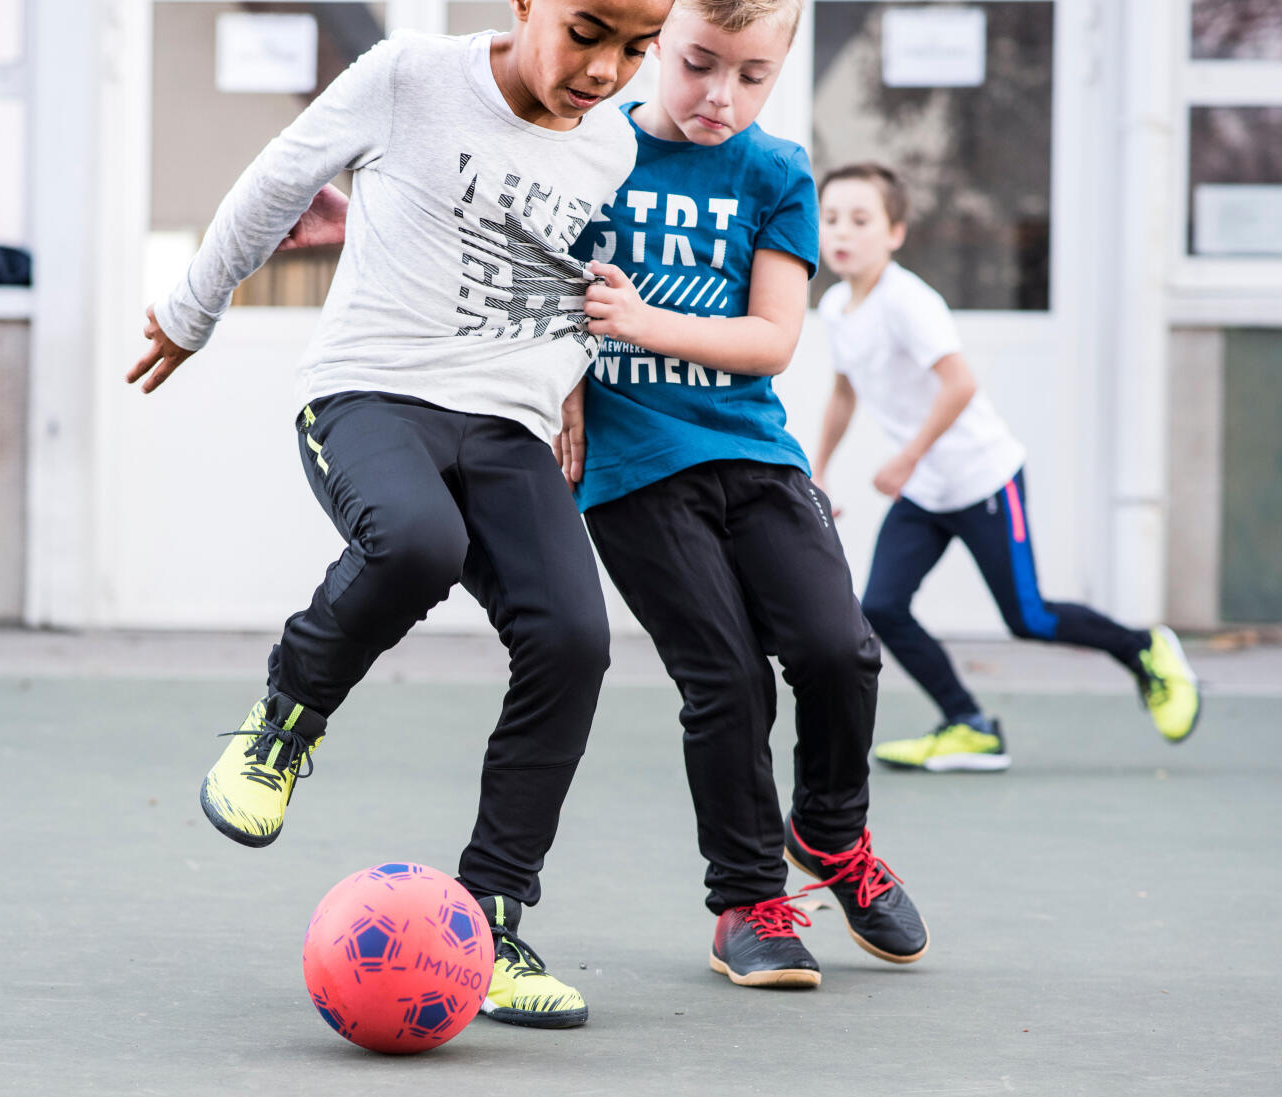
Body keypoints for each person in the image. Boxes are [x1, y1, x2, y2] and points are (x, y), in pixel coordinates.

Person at [126, 0, 672, 1029]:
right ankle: (282, 725)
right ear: (525, 5)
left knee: (573, 638)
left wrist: (567, 383)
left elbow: (556, 276)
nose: (607, 71)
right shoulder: (410, 75)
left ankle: (495, 918)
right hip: (373, 394)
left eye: (638, 49)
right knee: (420, 542)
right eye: (589, 33)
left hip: (506, 428)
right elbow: (277, 181)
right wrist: (193, 309)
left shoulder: (609, 146)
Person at [562, 0, 926, 991]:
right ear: (654, 45)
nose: (720, 94)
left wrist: (637, 324)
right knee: (727, 682)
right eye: (697, 63)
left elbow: (772, 339)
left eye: (752, 74)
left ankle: (831, 834)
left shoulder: (776, 173)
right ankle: (745, 902)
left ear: (781, 70)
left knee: (839, 652)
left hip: (755, 457)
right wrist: (563, 397)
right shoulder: (590, 151)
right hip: (635, 472)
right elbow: (543, 295)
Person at [811, 162, 1201, 773]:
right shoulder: (837, 306)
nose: (842, 232)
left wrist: (908, 456)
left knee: (1030, 617)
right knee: (882, 606)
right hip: (927, 490)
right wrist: (821, 469)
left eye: (861, 220)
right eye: (831, 218)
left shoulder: (909, 302)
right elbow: (843, 391)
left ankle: (1144, 649)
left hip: (983, 479)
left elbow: (960, 383)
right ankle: (968, 725)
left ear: (895, 232)